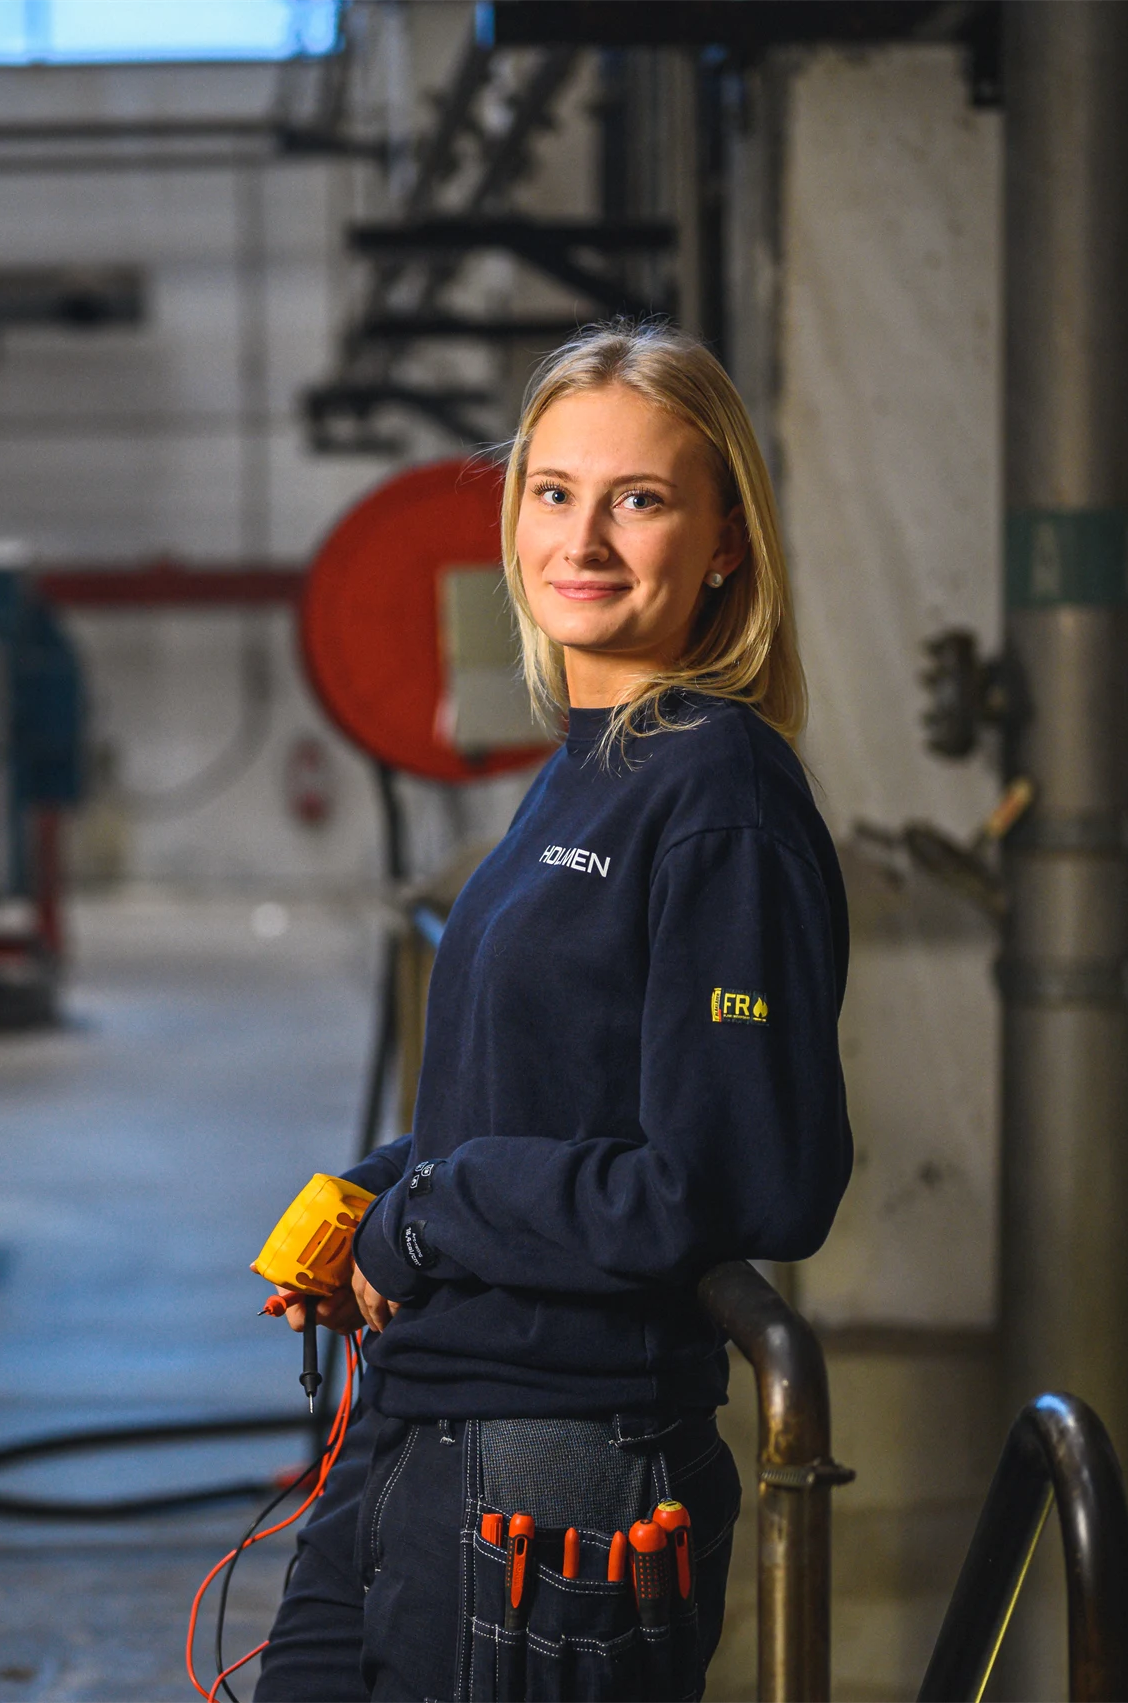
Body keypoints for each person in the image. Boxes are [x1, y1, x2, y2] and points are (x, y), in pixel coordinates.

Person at [252, 322, 852, 1703]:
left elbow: (730, 1180)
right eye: (553, 490)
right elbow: (541, 1102)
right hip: (426, 1421)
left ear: (723, 543)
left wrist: (432, 1213)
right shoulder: (583, 770)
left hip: (554, 1457)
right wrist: (377, 1193)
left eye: (638, 498)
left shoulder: (721, 796)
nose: (583, 535)